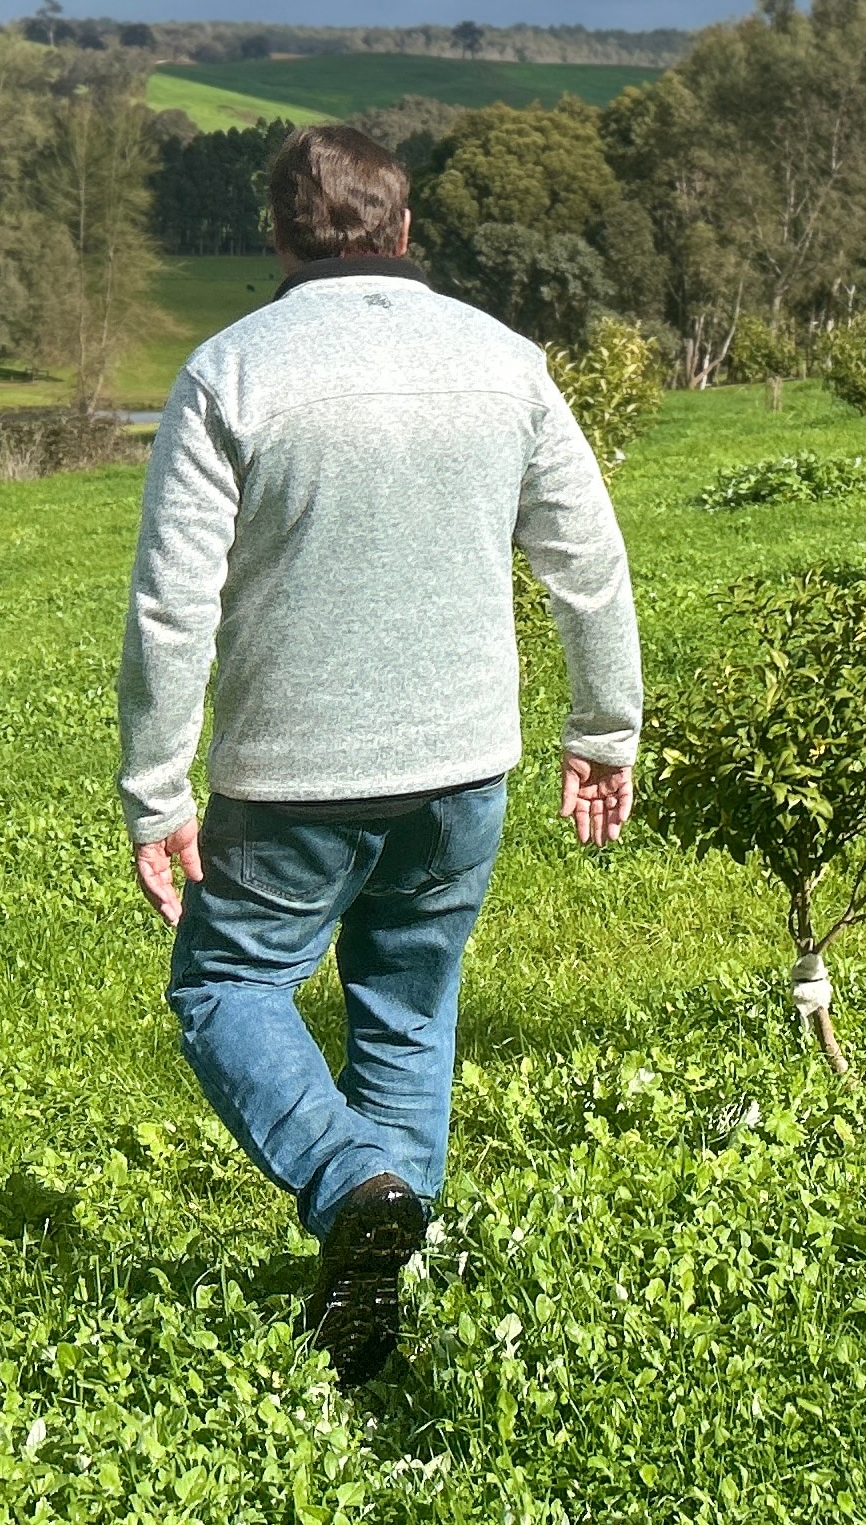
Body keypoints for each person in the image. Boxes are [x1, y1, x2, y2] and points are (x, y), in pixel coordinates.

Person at [117, 121, 641, 1384]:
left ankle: (351, 1183)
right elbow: (588, 558)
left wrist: (154, 790)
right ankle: (377, 1321)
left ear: (281, 240)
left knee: (225, 988)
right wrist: (603, 729)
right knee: (407, 1012)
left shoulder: (232, 369)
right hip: (464, 767)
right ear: (404, 231)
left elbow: (172, 602)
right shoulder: (503, 360)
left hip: (291, 776)